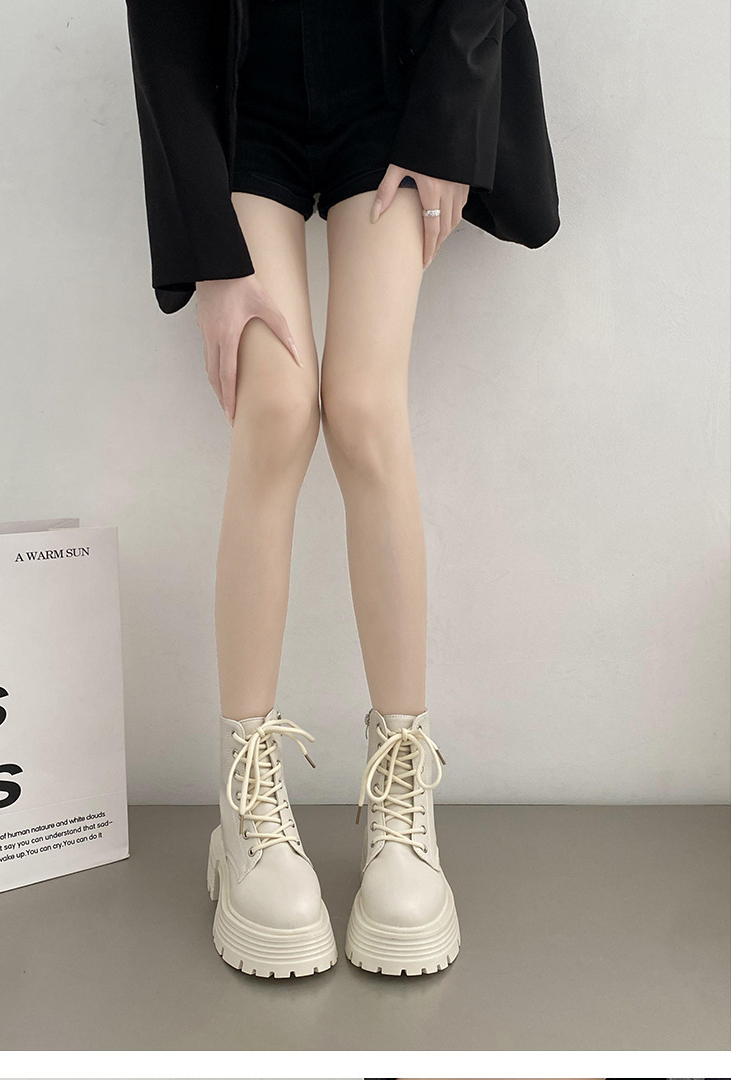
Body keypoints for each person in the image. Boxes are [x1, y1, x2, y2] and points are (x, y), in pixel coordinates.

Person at [124, 0, 560, 979]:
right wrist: (211, 258)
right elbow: (162, 26)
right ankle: (245, 801)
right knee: (276, 409)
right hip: (244, 100)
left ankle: (403, 796)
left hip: (394, 89)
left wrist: (448, 121)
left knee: (363, 409)